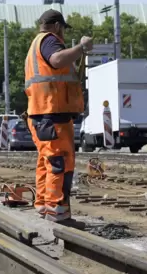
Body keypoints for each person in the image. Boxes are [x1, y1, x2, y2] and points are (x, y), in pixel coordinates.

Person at [24, 9, 93, 222]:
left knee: (48, 161)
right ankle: (56, 209)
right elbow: (56, 60)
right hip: (52, 113)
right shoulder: (49, 41)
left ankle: (45, 205)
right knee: (59, 161)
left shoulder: (36, 44)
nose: (62, 34)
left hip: (42, 113)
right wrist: (81, 48)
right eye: (62, 29)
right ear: (56, 26)